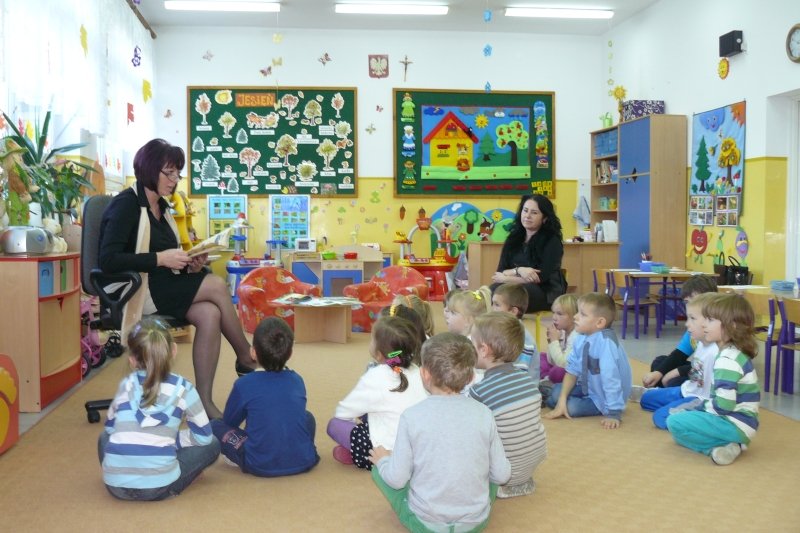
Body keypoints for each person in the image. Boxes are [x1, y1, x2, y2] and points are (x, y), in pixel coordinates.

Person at [98, 138, 253, 420]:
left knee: (209, 314)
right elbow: (108, 260)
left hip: (162, 284)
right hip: (137, 289)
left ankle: (203, 402)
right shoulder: (126, 205)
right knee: (216, 284)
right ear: (149, 169)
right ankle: (245, 356)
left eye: (177, 173)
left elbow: (168, 259)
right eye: (168, 173)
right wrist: (160, 259)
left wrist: (190, 264)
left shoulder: (164, 207)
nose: (174, 180)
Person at [369, 333, 511, 532]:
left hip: (426, 525)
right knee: (492, 471)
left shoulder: (411, 416)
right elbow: (502, 475)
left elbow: (397, 479)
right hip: (475, 523)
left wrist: (383, 461)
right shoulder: (485, 413)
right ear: (471, 377)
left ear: (424, 374)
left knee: (380, 466)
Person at [98, 318, 220, 501]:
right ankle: (176, 478)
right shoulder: (184, 388)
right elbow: (204, 437)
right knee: (213, 443)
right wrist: (172, 439)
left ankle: (121, 472)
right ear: (173, 351)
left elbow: (110, 429)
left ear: (132, 360)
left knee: (104, 437)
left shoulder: (126, 385)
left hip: (116, 488)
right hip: (159, 488)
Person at [210, 317, 319, 476]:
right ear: (290, 354)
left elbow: (230, 422)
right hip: (305, 460)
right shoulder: (297, 380)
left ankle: (239, 456)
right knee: (307, 417)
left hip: (258, 464)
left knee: (215, 425)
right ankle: (299, 450)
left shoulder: (244, 384)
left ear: (253, 352)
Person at [667, 294, 760, 466]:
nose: (704, 324)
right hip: (739, 423)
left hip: (733, 423)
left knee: (674, 422)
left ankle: (722, 447)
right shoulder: (731, 353)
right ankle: (731, 446)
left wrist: (696, 409)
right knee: (680, 427)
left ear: (731, 326)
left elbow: (724, 406)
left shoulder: (727, 360)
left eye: (710, 320)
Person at [327, 316, 427, 469]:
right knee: (371, 411)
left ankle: (360, 455)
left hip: (387, 453)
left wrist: (357, 421)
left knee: (335, 425)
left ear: (379, 353)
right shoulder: (419, 371)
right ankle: (353, 452)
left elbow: (342, 413)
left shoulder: (376, 376)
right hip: (419, 450)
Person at [469, 313, 546, 498]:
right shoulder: (527, 381)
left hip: (503, 471)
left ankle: (501, 486)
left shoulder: (480, 391)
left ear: (483, 350)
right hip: (531, 462)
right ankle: (519, 481)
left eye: (471, 344)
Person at [544, 293, 632, 429]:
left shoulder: (606, 344)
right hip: (589, 387)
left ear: (599, 323)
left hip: (604, 398)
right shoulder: (581, 337)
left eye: (582, 314)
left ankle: (556, 400)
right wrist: (561, 400)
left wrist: (614, 413)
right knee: (557, 393)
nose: (575, 316)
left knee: (572, 407)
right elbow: (572, 371)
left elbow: (611, 380)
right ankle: (557, 399)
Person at [640, 293, 721, 429]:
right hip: (687, 390)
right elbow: (688, 365)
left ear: (709, 322)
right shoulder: (700, 343)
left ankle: (698, 419)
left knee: (660, 417)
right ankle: (679, 406)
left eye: (692, 319)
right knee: (646, 399)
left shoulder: (716, 352)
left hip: (699, 399)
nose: (687, 324)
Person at [490, 194, 567, 313]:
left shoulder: (552, 241)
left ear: (544, 218)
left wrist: (506, 278)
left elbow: (540, 278)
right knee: (491, 291)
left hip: (545, 291)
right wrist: (519, 270)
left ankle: (508, 324)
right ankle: (500, 323)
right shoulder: (513, 238)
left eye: (534, 213)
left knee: (508, 296)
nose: (527, 216)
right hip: (516, 286)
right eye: (525, 210)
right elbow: (500, 272)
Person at [641, 275, 718, 389]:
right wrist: (659, 372)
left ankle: (668, 390)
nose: (690, 306)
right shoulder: (694, 329)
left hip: (711, 376)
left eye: (696, 301)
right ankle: (666, 389)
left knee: (675, 380)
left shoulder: (716, 331)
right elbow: (679, 355)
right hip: (698, 368)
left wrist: (676, 372)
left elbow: (709, 366)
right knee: (660, 362)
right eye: (687, 302)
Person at [491, 283, 539, 382]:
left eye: (497, 305)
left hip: (521, 387)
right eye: (492, 304)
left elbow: (519, 374)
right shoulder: (502, 330)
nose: (492, 309)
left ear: (513, 311)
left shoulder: (522, 338)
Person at [542, 293, 578, 385]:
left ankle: (548, 380)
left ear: (574, 317)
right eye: (553, 312)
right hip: (560, 366)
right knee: (540, 356)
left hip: (574, 376)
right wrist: (551, 341)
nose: (554, 317)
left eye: (559, 314)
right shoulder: (562, 331)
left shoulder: (577, 336)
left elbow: (562, 364)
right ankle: (548, 379)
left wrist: (554, 341)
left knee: (557, 371)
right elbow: (551, 361)